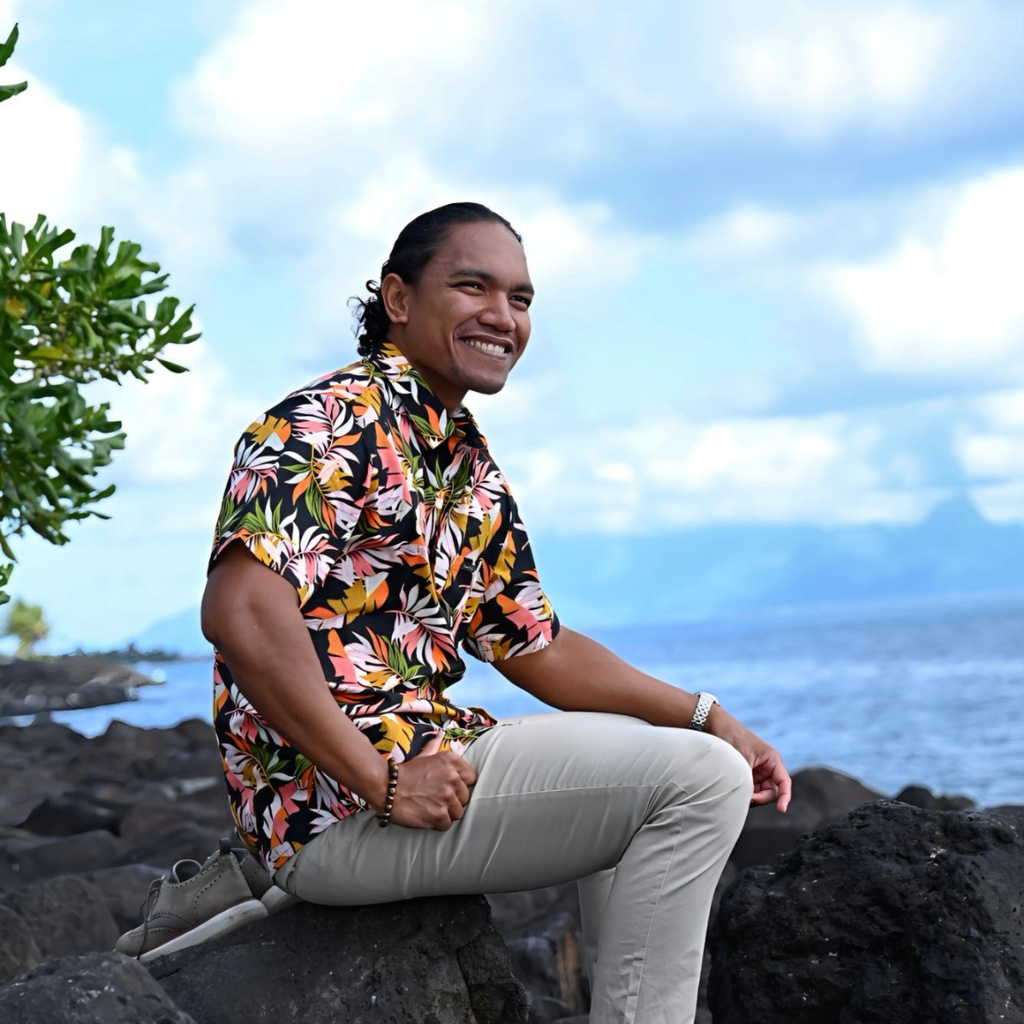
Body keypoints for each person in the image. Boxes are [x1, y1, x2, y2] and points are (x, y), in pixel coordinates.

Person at [199, 201, 792, 1024]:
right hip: (335, 808)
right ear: (398, 300)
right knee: (701, 787)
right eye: (472, 287)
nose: (502, 317)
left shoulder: (462, 461)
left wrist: (707, 715)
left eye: (520, 298)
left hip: (426, 757)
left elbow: (534, 646)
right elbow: (241, 612)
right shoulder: (327, 421)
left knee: (668, 761)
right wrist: (384, 781)